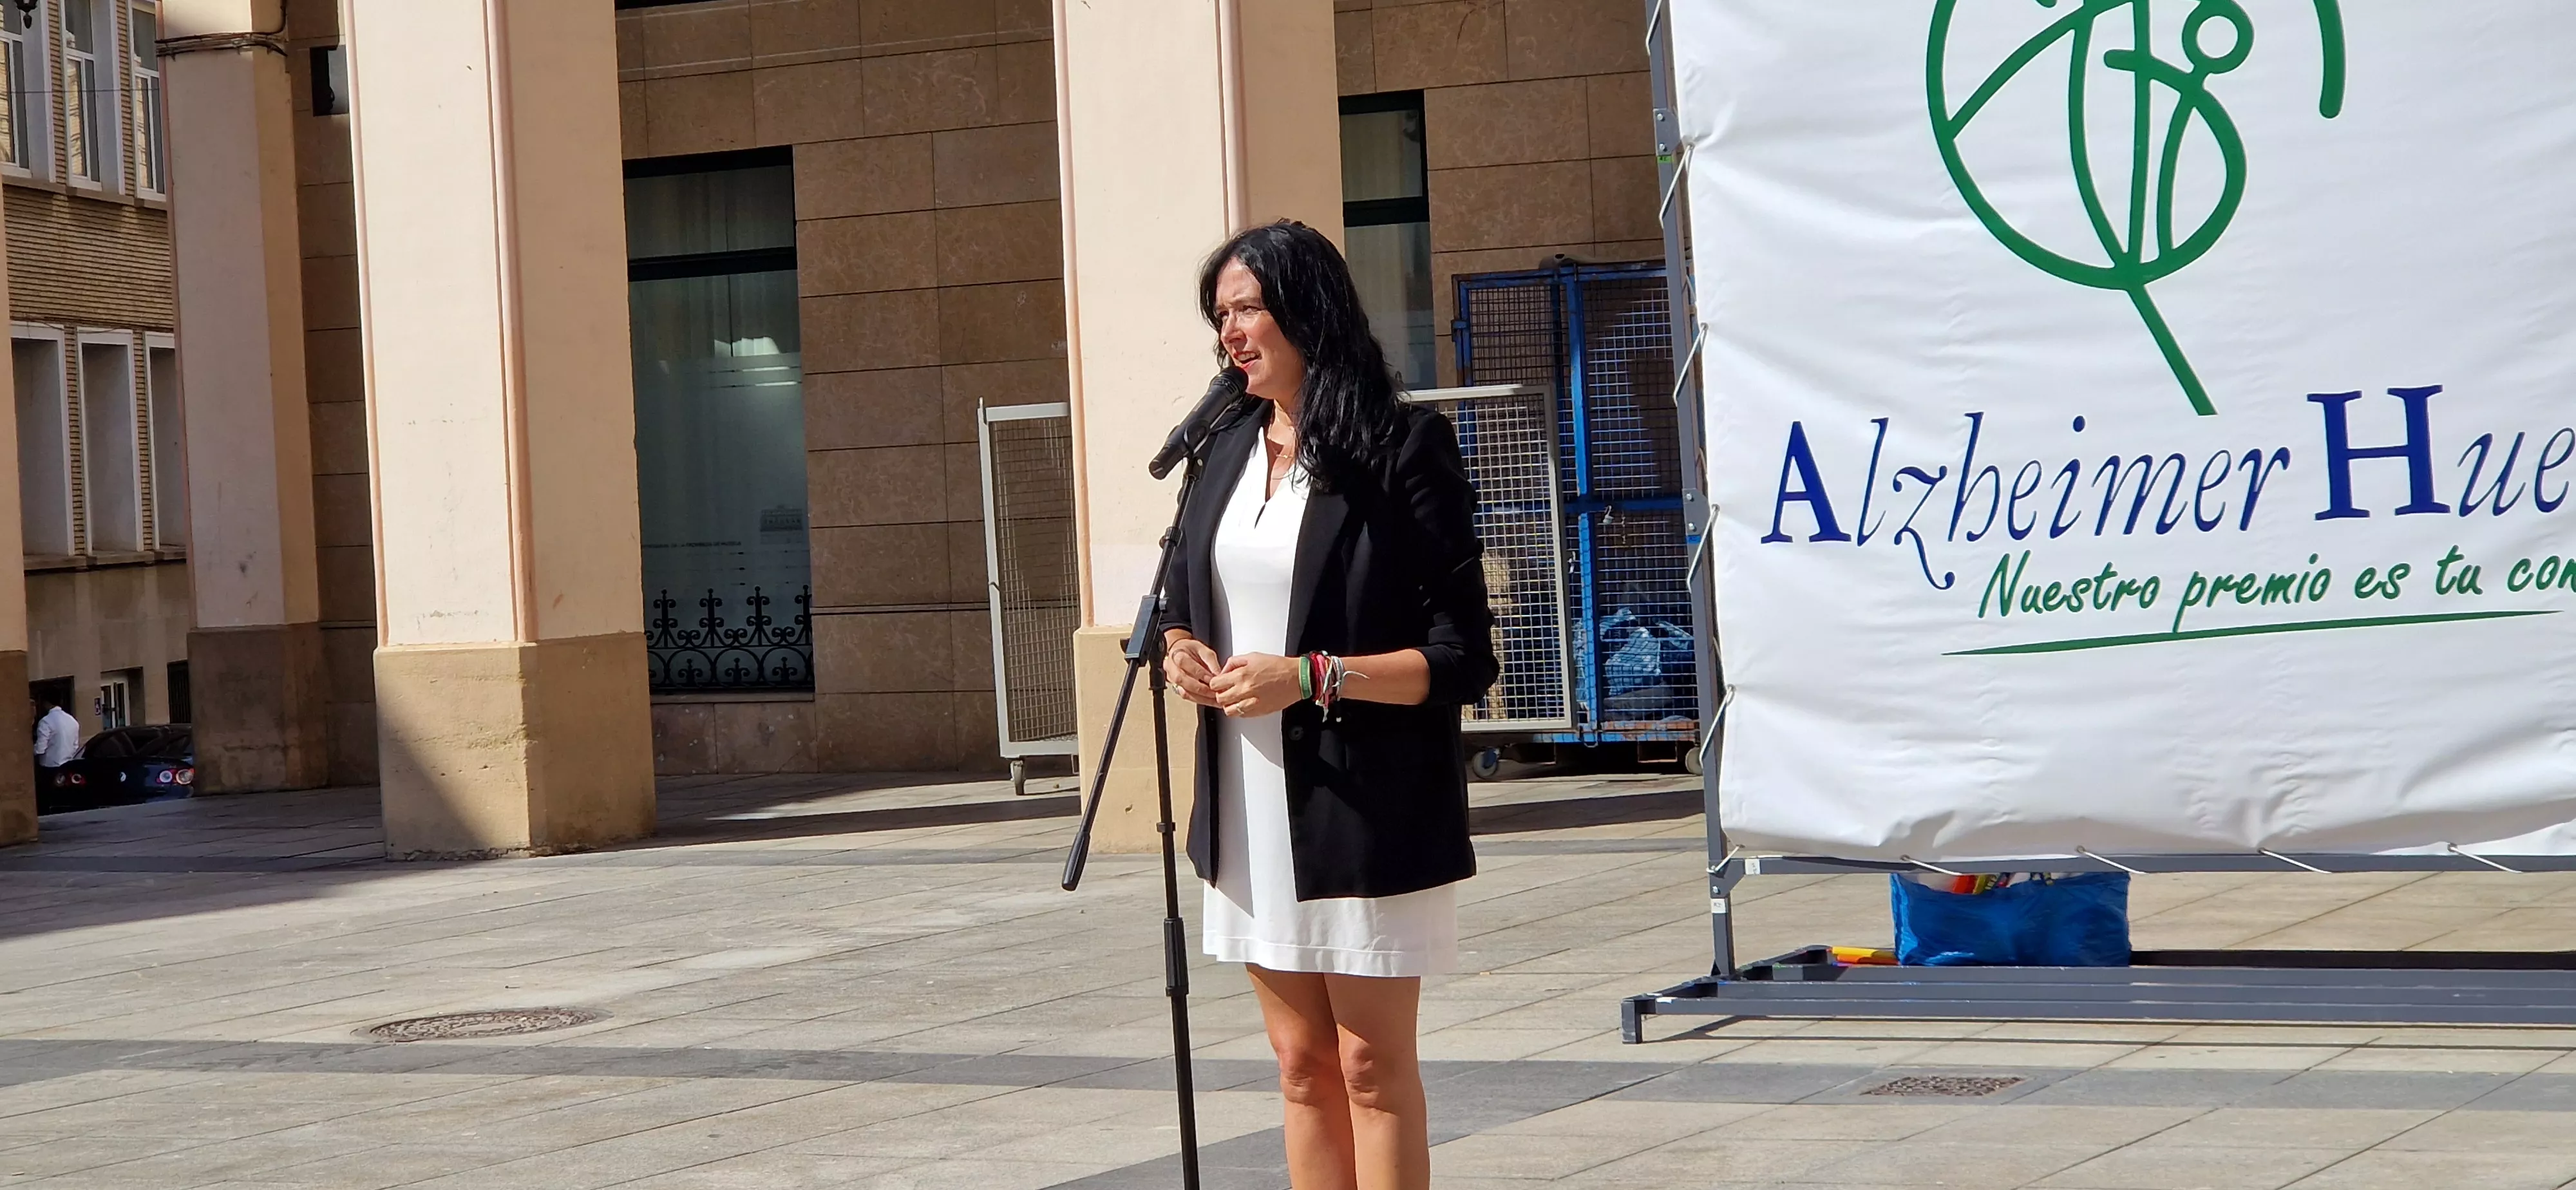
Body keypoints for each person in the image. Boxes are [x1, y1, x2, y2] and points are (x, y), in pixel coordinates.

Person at [1160, 220, 1497, 1190]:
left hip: (1365, 802)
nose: (1230, 333)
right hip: (1253, 808)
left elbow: (1463, 657)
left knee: (1368, 1066)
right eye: (1220, 315)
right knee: (1302, 1070)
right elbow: (1186, 597)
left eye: (1248, 309)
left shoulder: (1401, 449)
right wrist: (1183, 651)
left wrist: (1308, 676)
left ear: (1308, 309)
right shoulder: (1222, 450)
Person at [32, 697, 79, 794]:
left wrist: (31, 751)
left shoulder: (46, 721)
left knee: (48, 796)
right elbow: (76, 746)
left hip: (50, 768)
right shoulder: (72, 720)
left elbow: (40, 749)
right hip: (68, 765)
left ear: (46, 703)